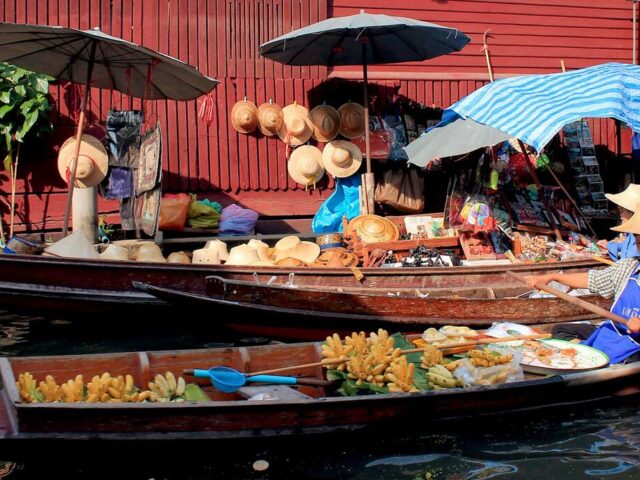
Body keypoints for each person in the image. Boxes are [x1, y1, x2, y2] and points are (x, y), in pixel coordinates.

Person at [523, 203, 640, 364]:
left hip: (635, 346)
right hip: (615, 333)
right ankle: (585, 354)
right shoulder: (629, 266)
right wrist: (552, 277)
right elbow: (592, 279)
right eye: (638, 240)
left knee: (632, 361)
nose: (638, 245)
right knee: (561, 331)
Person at [605, 183, 640, 260]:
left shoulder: (637, 237)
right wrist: (608, 244)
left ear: (633, 213)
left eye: (621, 211)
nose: (620, 216)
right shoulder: (631, 235)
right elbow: (623, 246)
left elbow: (629, 259)